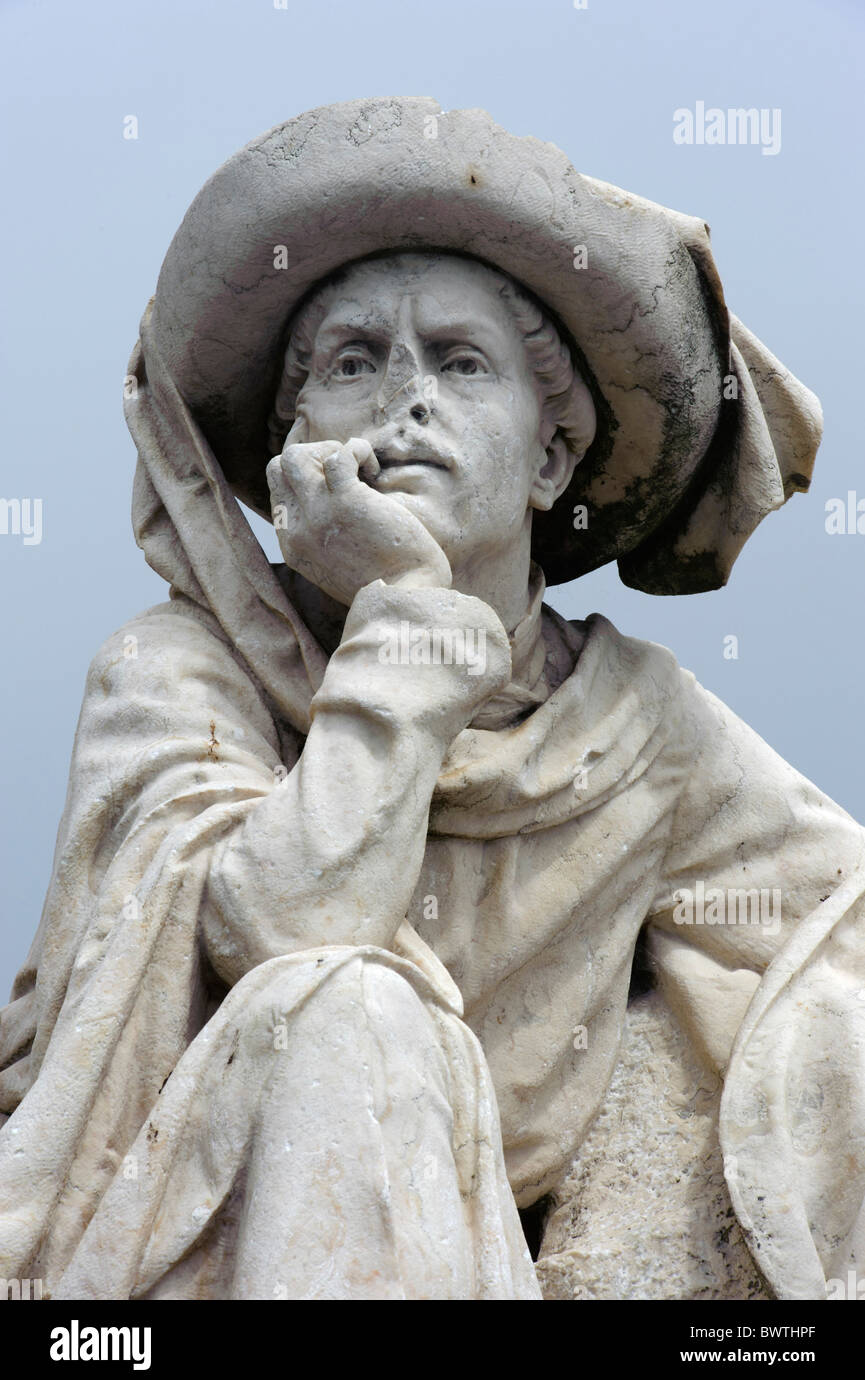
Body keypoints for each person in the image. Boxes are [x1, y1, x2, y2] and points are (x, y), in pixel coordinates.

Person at [1, 97, 863, 1302]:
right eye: (352, 363)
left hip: (490, 1262)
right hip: (187, 1243)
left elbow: (843, 912)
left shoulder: (632, 725)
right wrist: (408, 613)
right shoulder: (177, 672)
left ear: (549, 458)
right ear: (294, 451)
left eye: (461, 364)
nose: (403, 396)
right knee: (345, 1009)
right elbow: (288, 924)